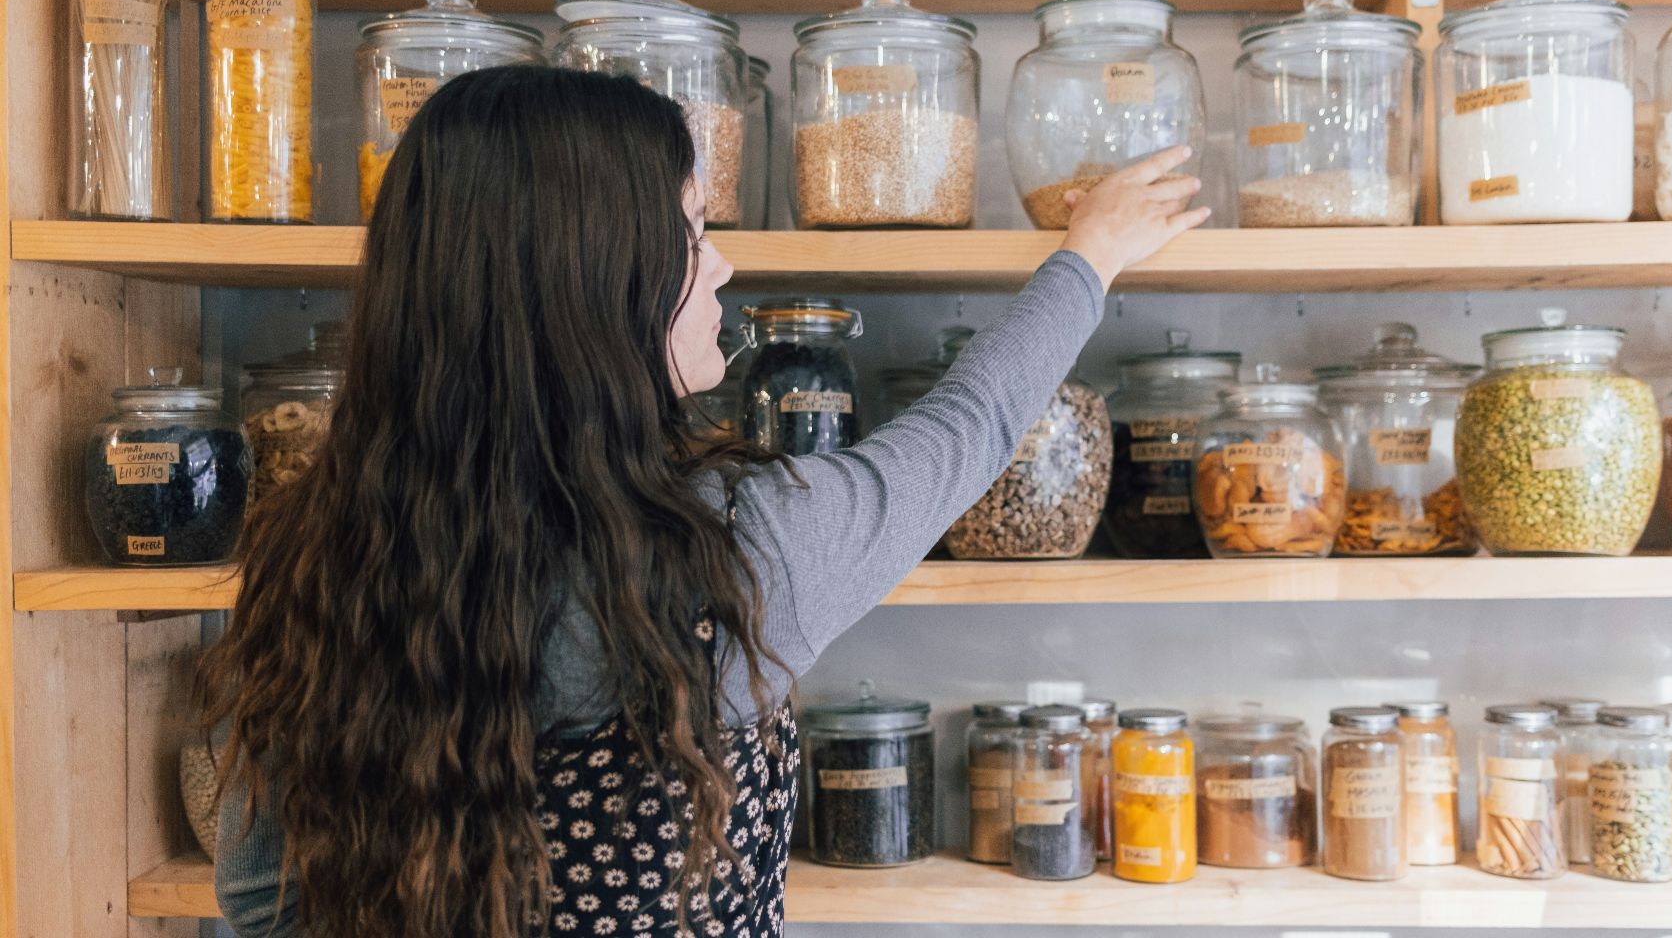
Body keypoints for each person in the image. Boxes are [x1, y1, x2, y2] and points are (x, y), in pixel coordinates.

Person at [199, 65, 1207, 937]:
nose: (721, 263)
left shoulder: (318, 549)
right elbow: (967, 433)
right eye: (691, 231)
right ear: (599, 284)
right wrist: (1091, 256)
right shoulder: (730, 555)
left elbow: (259, 898)